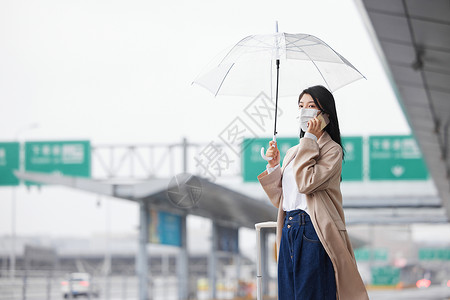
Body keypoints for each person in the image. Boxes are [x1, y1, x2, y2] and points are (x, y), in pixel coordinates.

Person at [257, 85, 369, 300]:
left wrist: (309, 139)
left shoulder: (332, 151)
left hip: (312, 229)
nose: (304, 111)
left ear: (326, 114)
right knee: (289, 294)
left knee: (312, 294)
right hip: (289, 227)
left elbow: (306, 183)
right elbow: (282, 199)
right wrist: (273, 165)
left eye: (311, 106)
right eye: (301, 106)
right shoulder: (295, 151)